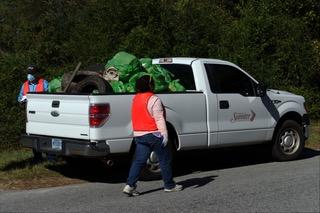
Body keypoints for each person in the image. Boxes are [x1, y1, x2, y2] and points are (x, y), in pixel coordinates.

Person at [123, 75, 183, 196]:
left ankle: (130, 185)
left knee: (139, 161)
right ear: (150, 85)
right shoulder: (154, 99)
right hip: (154, 134)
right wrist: (165, 135)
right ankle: (169, 185)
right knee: (164, 160)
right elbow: (159, 119)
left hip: (139, 134)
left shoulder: (136, 98)